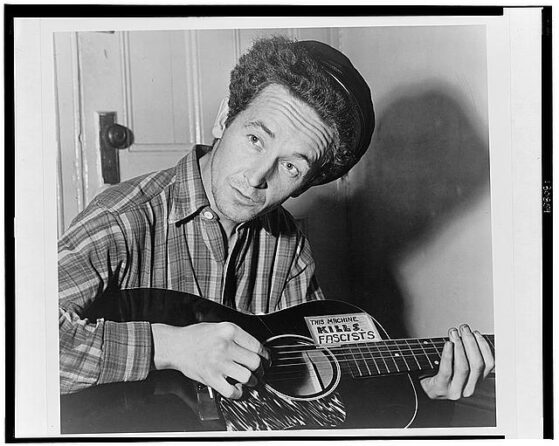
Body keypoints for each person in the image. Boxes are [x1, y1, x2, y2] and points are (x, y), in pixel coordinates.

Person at [59, 36, 494, 402]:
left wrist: (420, 387)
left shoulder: (288, 245)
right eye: (254, 139)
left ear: (306, 183)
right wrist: (166, 346)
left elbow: (312, 369)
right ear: (223, 117)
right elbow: (19, 346)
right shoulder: (123, 219)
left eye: (291, 167)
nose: (255, 177)